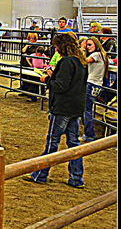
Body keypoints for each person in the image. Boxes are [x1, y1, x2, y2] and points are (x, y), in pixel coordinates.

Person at [24, 33, 88, 188]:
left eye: (56, 47)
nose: (56, 50)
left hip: (62, 107)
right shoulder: (81, 62)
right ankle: (76, 178)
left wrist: (47, 79)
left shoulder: (66, 62)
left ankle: (41, 174)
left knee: (52, 141)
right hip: (76, 106)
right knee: (73, 142)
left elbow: (60, 86)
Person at [81, 37, 109, 142]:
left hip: (91, 84)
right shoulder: (102, 55)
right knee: (87, 110)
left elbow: (83, 61)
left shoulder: (96, 55)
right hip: (96, 84)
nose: (88, 47)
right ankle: (88, 134)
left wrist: (82, 49)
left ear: (96, 45)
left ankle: (89, 135)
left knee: (86, 111)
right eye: (87, 45)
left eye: (90, 45)